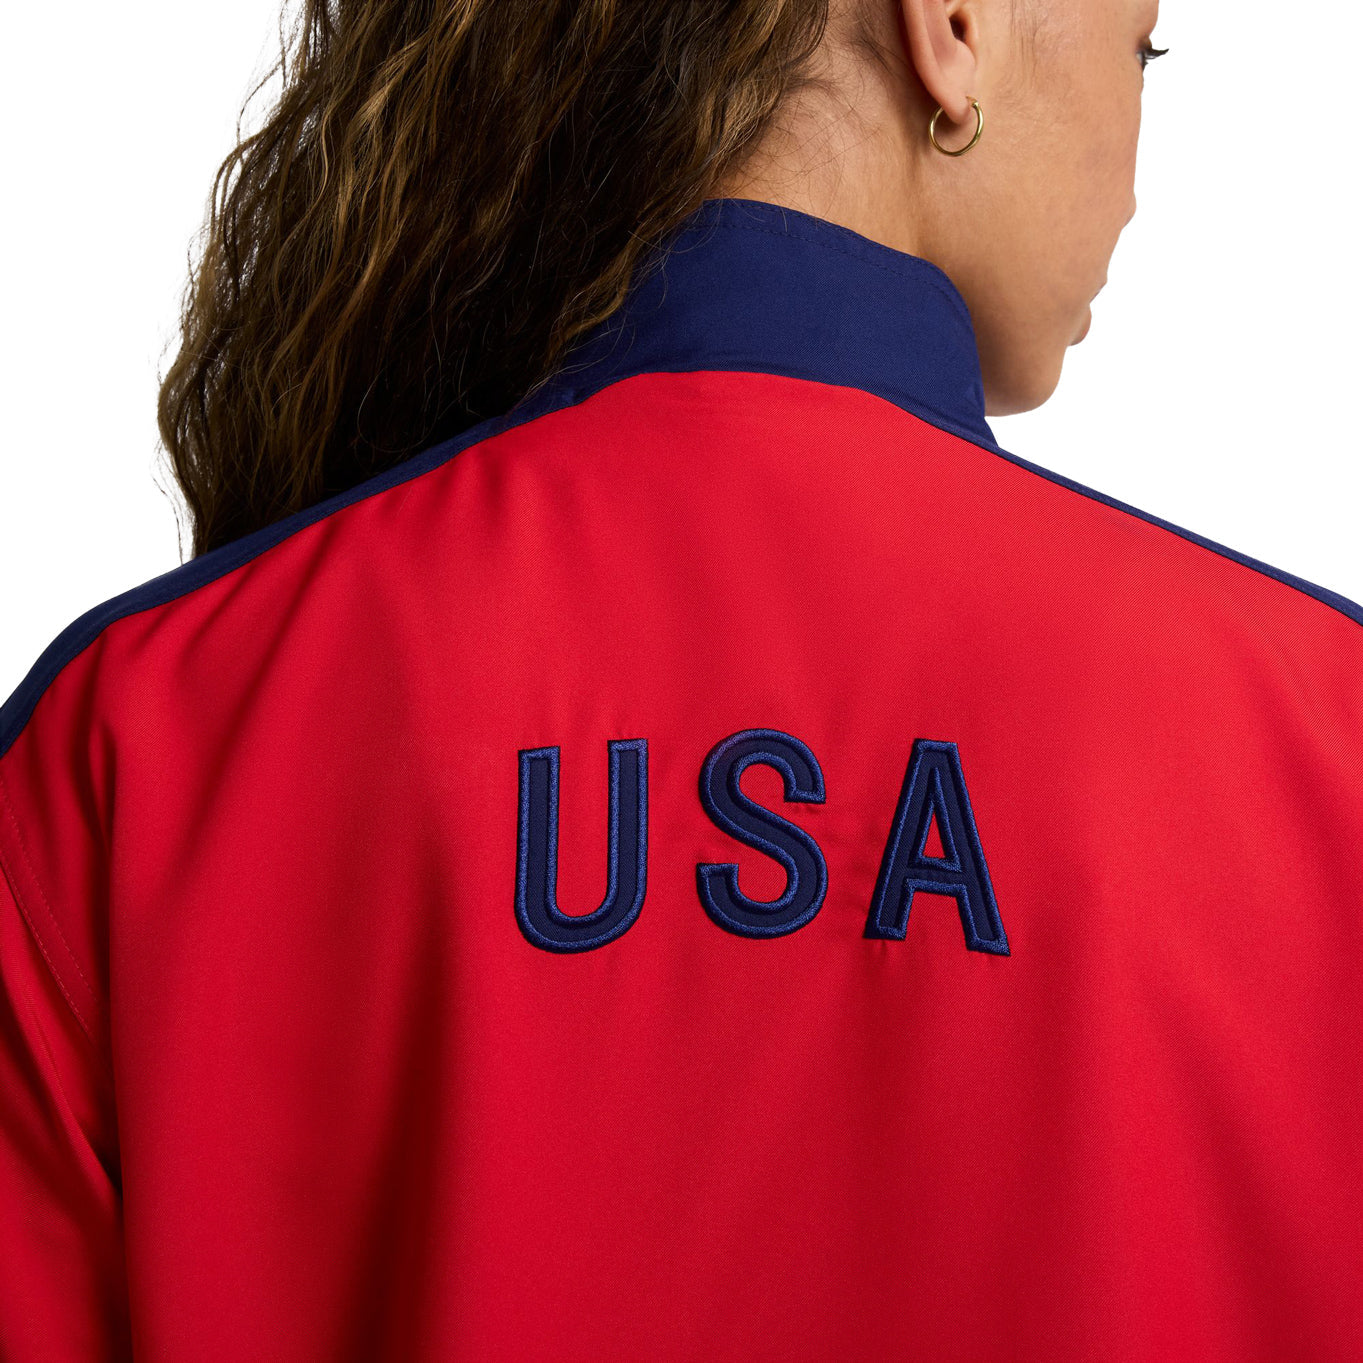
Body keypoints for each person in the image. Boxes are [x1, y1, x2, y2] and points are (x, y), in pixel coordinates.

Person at [1, 0, 1359, 1358]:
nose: (1136, 176)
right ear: (950, 24)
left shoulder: (140, 735)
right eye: (1144, 50)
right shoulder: (1327, 740)